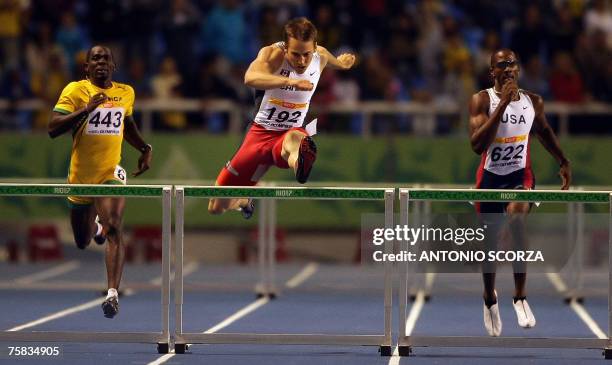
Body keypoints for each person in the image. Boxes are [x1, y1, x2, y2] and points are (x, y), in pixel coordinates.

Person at [468, 49, 571, 337]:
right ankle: (489, 298)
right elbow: (477, 145)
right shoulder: (481, 100)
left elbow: (545, 131)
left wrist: (563, 161)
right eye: (502, 65)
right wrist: (501, 107)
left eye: (513, 64)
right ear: (493, 72)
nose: (509, 69)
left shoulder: (532, 102)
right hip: (489, 177)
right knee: (488, 246)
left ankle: (520, 296)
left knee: (516, 216)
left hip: (519, 175)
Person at [208, 17, 355, 217]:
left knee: (296, 139)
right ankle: (243, 200)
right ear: (286, 48)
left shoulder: (321, 56)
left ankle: (300, 163)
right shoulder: (272, 54)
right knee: (216, 207)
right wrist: (290, 81)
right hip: (259, 136)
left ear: (315, 47)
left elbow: (333, 61)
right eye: (295, 54)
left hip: (288, 134)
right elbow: (250, 78)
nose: (302, 61)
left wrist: (342, 64)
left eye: (306, 54)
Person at [48, 45, 153, 319]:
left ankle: (112, 294)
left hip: (110, 173)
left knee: (116, 227)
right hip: (81, 178)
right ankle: (96, 226)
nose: (101, 62)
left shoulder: (125, 92)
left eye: (106, 58)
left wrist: (144, 147)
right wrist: (85, 109)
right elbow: (52, 128)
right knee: (82, 241)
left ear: (113, 66)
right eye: (95, 59)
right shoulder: (75, 90)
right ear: (87, 67)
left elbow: (127, 126)